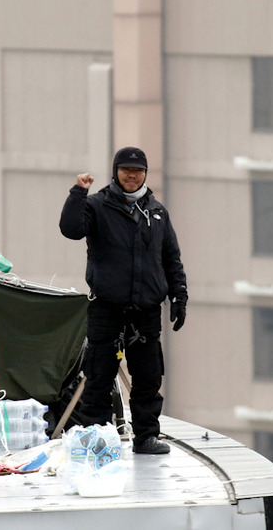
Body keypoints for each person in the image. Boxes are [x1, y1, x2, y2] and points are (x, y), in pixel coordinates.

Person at [59, 146, 188, 455]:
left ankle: (145, 437)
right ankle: (98, 441)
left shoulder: (156, 211)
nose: (132, 175)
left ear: (145, 174)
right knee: (98, 377)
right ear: (115, 172)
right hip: (106, 307)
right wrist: (78, 193)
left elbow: (171, 257)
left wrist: (179, 295)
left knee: (148, 377)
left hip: (146, 310)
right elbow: (70, 229)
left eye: (138, 171)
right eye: (126, 170)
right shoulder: (97, 205)